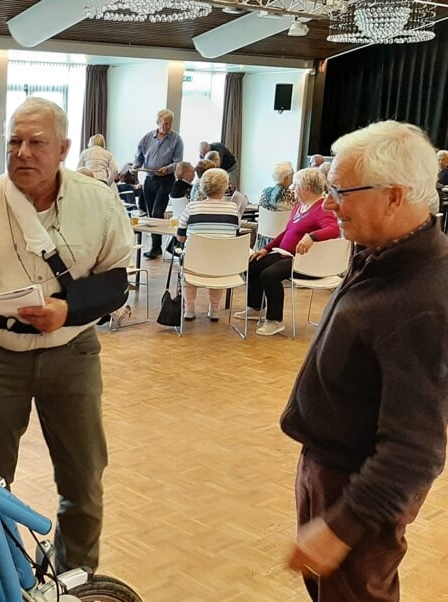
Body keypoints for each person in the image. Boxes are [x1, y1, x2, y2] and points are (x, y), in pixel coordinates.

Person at [0, 97, 133, 572]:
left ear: (63, 148)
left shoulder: (98, 200)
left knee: (84, 480)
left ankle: (76, 579)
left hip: (73, 352)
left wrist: (68, 310)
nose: (22, 152)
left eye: (36, 143)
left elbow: (117, 281)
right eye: (14, 142)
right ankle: (1, 574)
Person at [282, 120, 448, 602]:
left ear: (395, 197)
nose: (329, 203)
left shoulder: (425, 300)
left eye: (341, 190)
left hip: (358, 488)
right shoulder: (380, 253)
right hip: (329, 466)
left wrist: (342, 526)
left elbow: (415, 451)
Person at [235, 167, 340, 336]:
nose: (293, 189)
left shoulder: (322, 208)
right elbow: (287, 232)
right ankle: (255, 307)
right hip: (285, 254)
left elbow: (334, 229)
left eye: (296, 185)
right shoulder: (300, 206)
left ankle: (274, 321)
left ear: (306, 188)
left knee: (270, 275)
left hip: (306, 263)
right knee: (253, 264)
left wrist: (311, 237)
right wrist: (265, 249)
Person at [176, 168, 240, 322]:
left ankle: (189, 309)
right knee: (217, 264)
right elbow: (234, 236)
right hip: (222, 266)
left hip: (194, 265)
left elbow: (180, 237)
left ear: (202, 187)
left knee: (187, 268)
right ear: (225, 187)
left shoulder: (192, 207)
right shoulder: (232, 209)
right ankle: (215, 310)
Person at [127, 109, 183, 259]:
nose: (167, 126)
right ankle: (156, 247)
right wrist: (136, 166)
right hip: (150, 178)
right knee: (151, 213)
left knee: (158, 212)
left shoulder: (176, 139)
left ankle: (156, 247)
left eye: (169, 124)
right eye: (164, 123)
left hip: (166, 180)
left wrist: (167, 168)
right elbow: (138, 156)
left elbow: (178, 161)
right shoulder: (147, 138)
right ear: (158, 122)